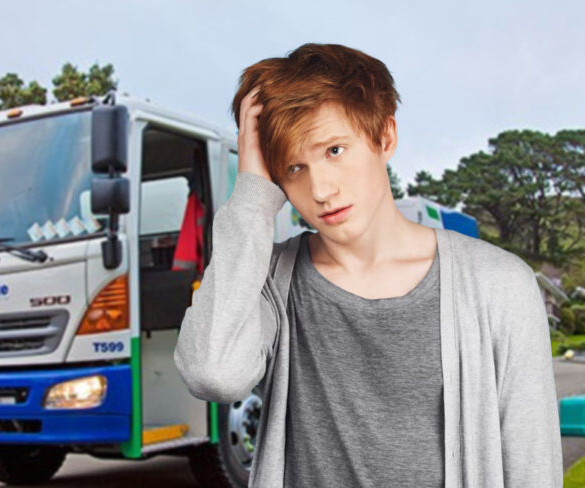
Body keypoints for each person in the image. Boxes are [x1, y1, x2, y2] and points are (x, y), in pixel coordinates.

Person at [174, 43, 562, 487]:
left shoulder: (499, 285)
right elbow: (213, 374)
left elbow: (534, 467)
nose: (320, 189)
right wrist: (251, 195)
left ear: (385, 137)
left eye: (334, 151)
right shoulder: (271, 283)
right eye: (294, 167)